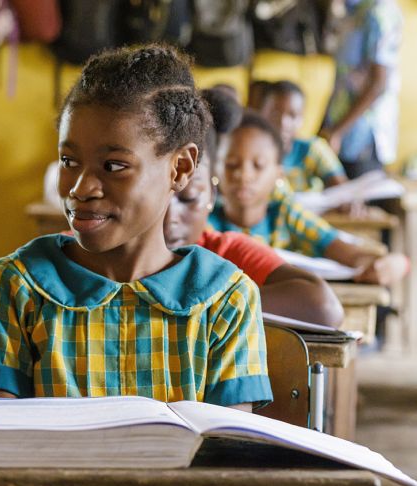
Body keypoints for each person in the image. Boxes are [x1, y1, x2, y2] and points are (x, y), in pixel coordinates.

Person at [0, 44, 272, 411]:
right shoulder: (15, 286)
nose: (79, 188)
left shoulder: (224, 299)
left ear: (181, 168)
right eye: (69, 161)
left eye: (114, 166)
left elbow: (226, 454)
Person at [165, 95, 344, 328]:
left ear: (212, 193)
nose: (169, 218)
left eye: (188, 198)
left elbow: (324, 308)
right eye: (157, 198)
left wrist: (197, 305)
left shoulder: (224, 252)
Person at [209, 110, 408, 286]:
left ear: (279, 174)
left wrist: (391, 264)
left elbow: (346, 252)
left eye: (258, 165)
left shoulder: (285, 215)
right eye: (231, 165)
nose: (243, 175)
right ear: (215, 169)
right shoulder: (206, 222)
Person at [319, 0, 402, 179]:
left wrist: (338, 131)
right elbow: (343, 79)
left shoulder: (381, 13)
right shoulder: (350, 11)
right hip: (339, 127)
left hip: (363, 138)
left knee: (357, 201)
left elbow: (378, 84)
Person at [260, 80, 348, 193]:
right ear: (261, 113)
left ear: (301, 120)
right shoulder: (252, 154)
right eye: (275, 113)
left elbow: (343, 188)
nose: (283, 122)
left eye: (292, 116)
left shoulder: (313, 149)